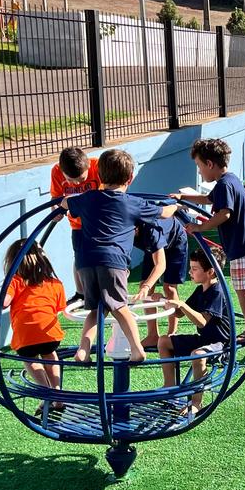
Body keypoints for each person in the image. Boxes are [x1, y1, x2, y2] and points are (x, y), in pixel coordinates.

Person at [62, 149, 176, 365]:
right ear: (130, 178)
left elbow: (66, 203)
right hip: (113, 261)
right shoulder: (132, 202)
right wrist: (175, 205)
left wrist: (66, 201)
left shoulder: (88, 198)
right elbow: (164, 213)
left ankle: (83, 350)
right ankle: (137, 349)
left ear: (99, 177)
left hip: (85, 261)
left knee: (96, 308)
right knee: (119, 305)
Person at [173, 138, 245, 344]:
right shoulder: (229, 180)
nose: (199, 171)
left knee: (242, 289)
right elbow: (208, 199)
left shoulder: (224, 185)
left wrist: (199, 227)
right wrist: (184, 197)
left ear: (209, 164)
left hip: (241, 245)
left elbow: (224, 214)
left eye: (199, 166)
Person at [0, 239, 67, 415]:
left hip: (26, 336)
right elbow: (58, 307)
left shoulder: (15, 281)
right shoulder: (55, 283)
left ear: (12, 262)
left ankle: (46, 392)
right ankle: (57, 392)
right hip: (50, 333)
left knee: (30, 359)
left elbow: (3, 303)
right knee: (50, 354)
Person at [158, 247, 232, 416]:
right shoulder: (201, 289)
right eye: (191, 268)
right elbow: (179, 313)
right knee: (164, 341)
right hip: (204, 339)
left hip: (221, 343)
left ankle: (196, 402)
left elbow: (202, 321)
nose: (190, 272)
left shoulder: (217, 291)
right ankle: (169, 387)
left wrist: (182, 305)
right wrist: (163, 300)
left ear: (210, 272)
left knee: (197, 354)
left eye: (195, 269)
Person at [51, 147, 101, 304]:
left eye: (81, 178)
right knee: (79, 256)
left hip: (100, 222)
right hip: (77, 223)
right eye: (71, 180)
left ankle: (103, 288)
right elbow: (56, 197)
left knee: (102, 255)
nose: (77, 183)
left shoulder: (98, 166)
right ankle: (80, 293)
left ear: (88, 166)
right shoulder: (56, 171)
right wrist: (55, 209)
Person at [134, 214, 190, 349]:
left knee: (169, 287)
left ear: (136, 229)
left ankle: (172, 333)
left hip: (175, 241)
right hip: (153, 246)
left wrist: (147, 286)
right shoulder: (124, 231)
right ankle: (153, 335)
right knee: (144, 285)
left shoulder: (151, 230)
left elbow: (161, 265)